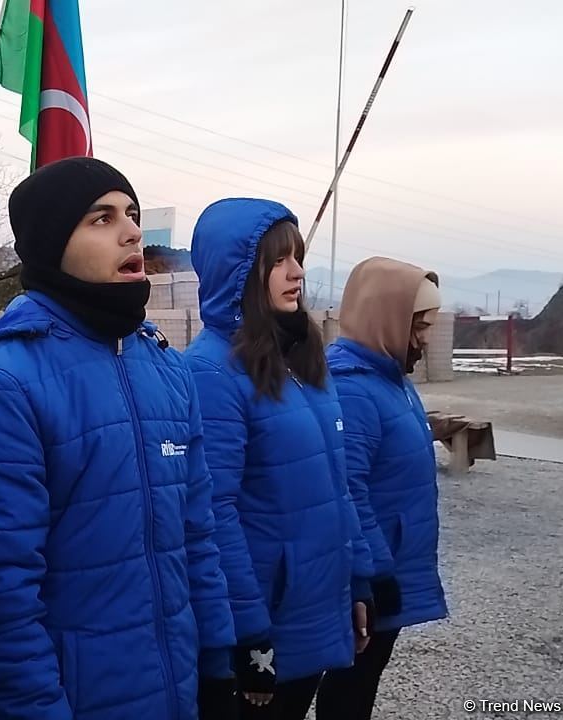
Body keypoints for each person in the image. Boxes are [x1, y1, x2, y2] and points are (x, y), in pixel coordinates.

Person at [0, 157, 235, 719]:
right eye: (101, 218)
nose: (131, 232)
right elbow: (1, 601)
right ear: (52, 243)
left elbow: (197, 533)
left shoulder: (167, 371)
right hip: (75, 698)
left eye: (132, 214)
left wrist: (218, 659)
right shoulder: (1, 386)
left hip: (174, 687)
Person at [184, 198, 376, 720]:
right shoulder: (212, 372)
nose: (297, 273)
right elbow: (213, 513)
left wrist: (358, 579)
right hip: (267, 623)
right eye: (278, 261)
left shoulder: (300, 359)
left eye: (298, 258)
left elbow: (337, 486)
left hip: (316, 607)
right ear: (240, 273)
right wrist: (248, 634)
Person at [315, 258, 448, 720]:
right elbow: (347, 488)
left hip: (387, 565)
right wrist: (376, 570)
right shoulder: (353, 389)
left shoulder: (392, 379)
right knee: (350, 682)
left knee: (363, 678)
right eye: (419, 324)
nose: (426, 337)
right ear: (386, 318)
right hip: (372, 574)